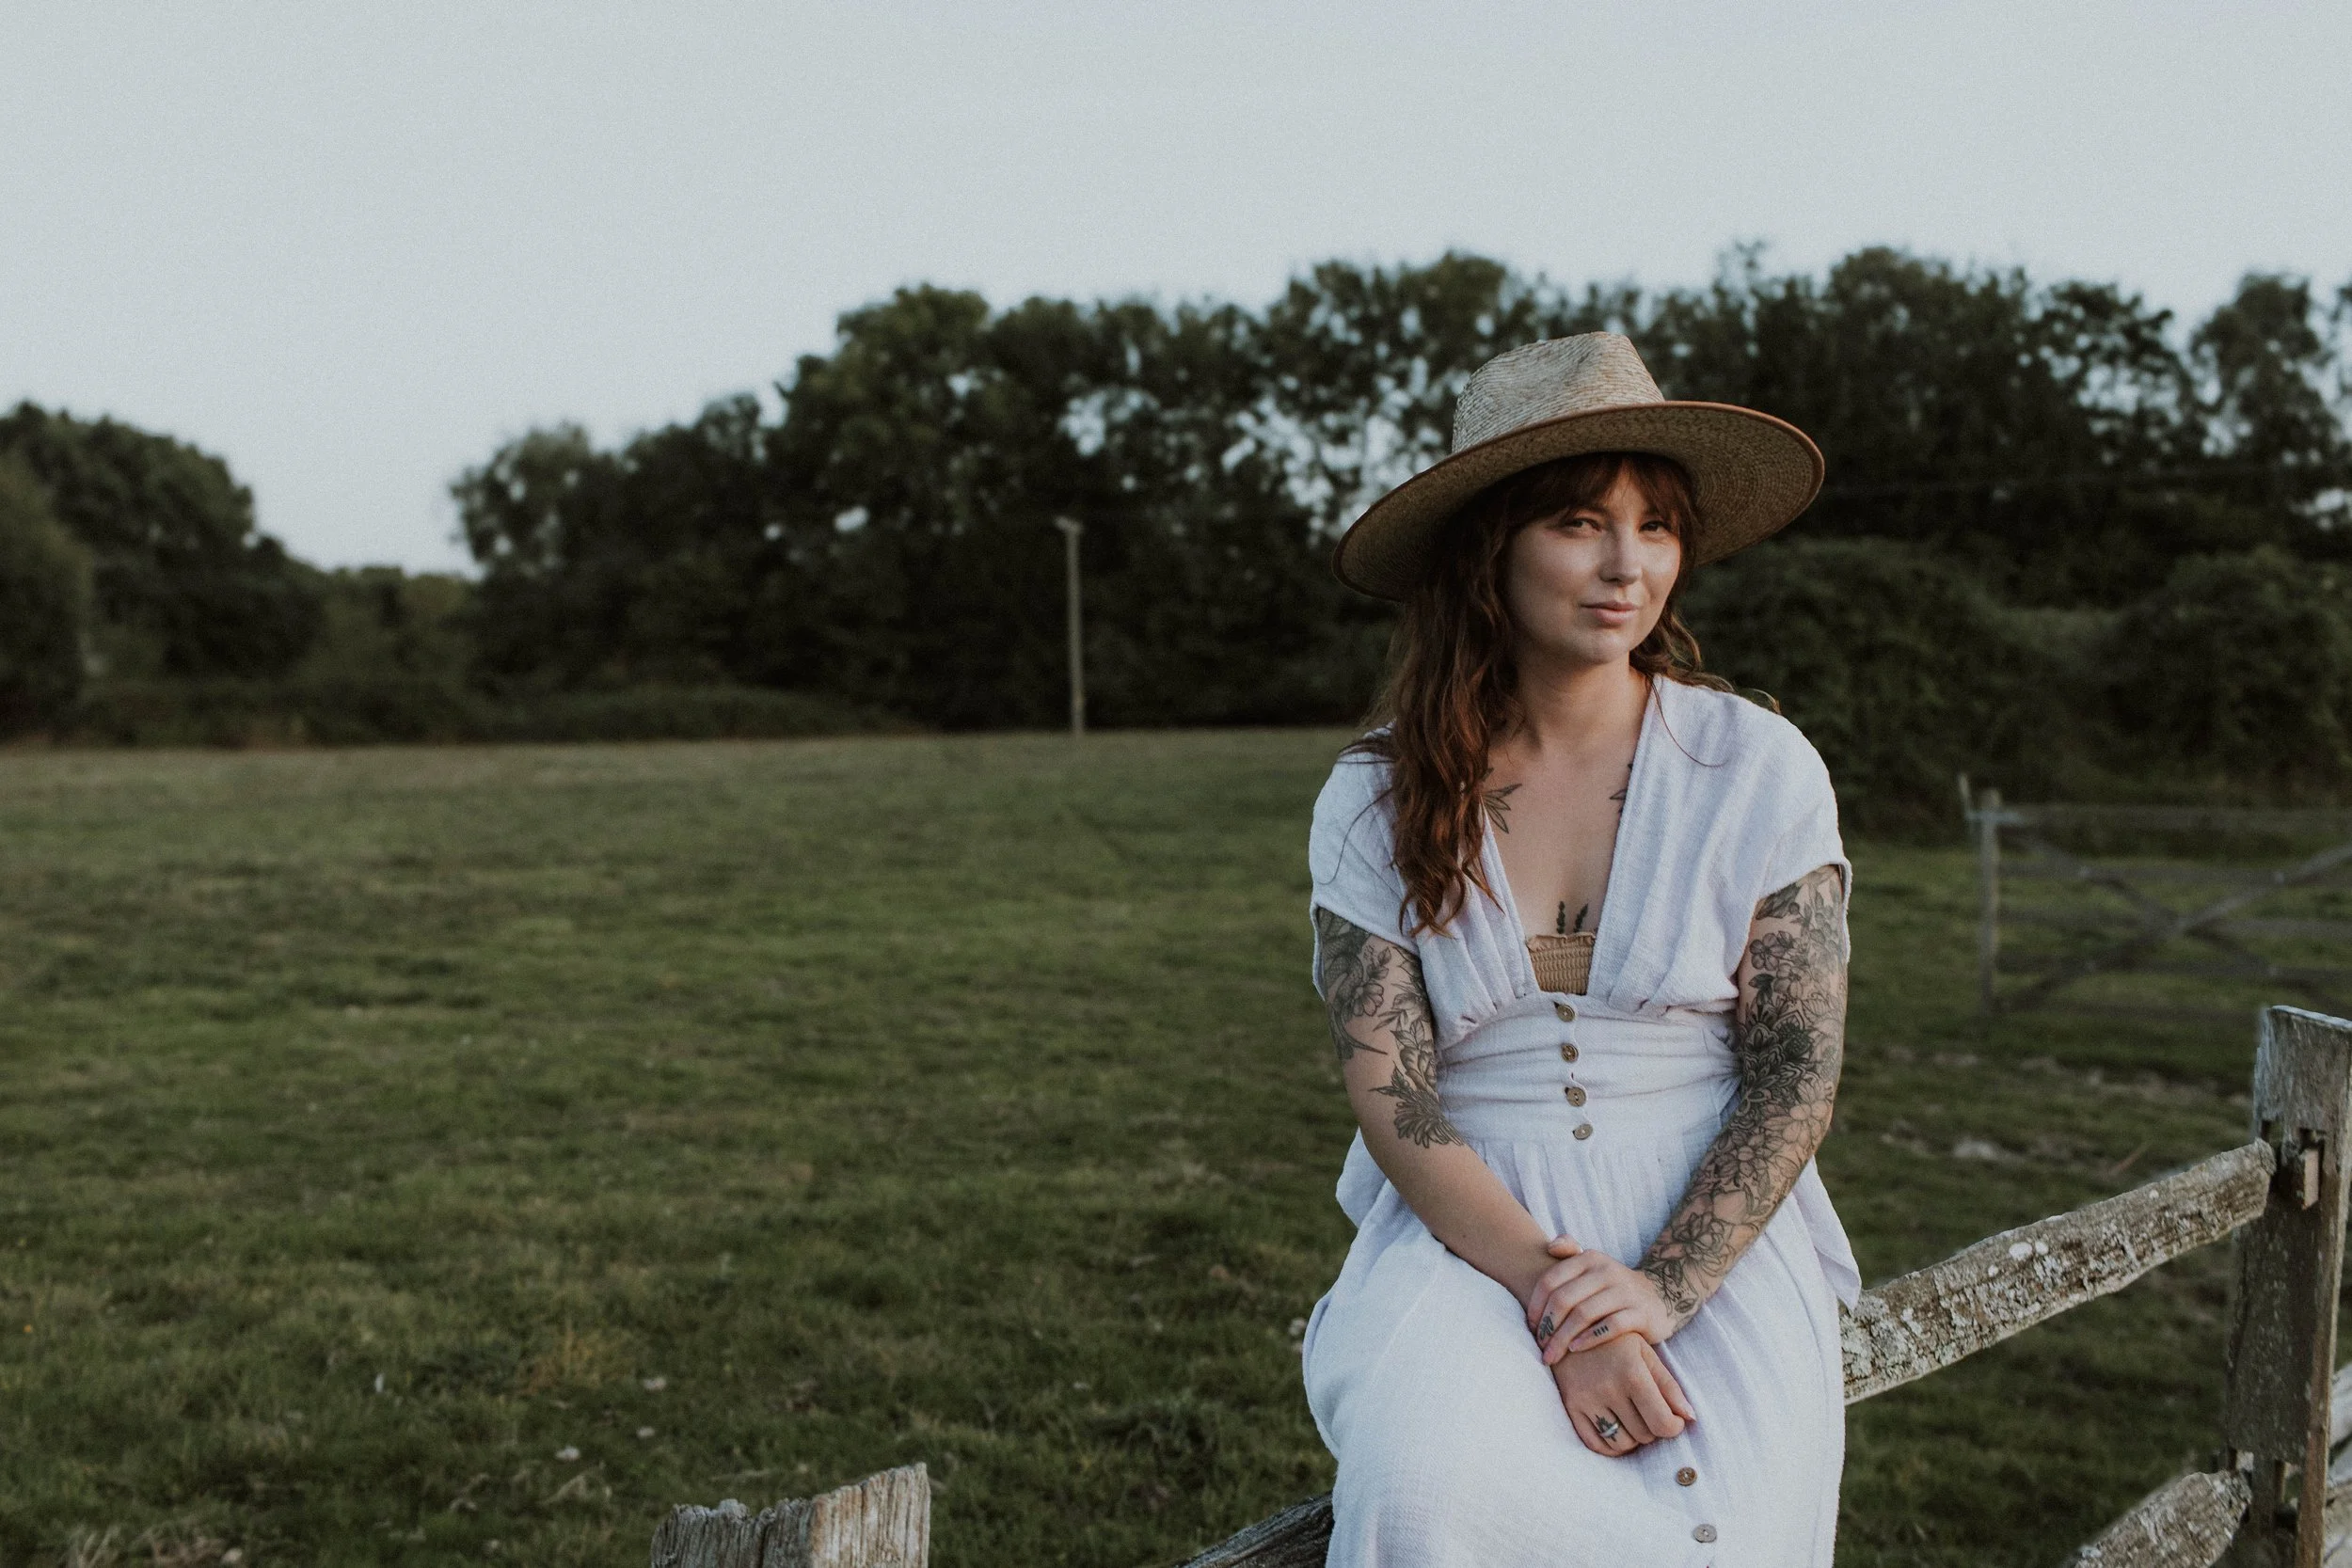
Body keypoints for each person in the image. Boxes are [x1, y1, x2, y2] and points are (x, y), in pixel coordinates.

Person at [1301, 332, 1856, 1568]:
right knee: (1419, 1499)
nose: (1627, 566)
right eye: (1576, 522)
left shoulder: (1757, 768)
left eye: (1656, 526)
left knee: (1721, 1541)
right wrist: (1563, 1297)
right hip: (1468, 1226)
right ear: (1486, 545)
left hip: (1708, 1224)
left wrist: (1661, 1288)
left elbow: (1792, 1073)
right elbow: (1393, 1088)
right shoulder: (1376, 793)